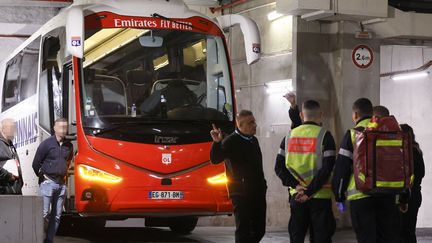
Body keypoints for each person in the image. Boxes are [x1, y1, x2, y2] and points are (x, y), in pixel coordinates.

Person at [332, 98, 398, 243]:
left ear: (355, 115)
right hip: (386, 195)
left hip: (361, 196)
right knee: (387, 238)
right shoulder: (387, 131)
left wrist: (339, 195)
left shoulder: (353, 133)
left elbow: (342, 167)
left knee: (366, 239)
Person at [283, 100, 336, 243]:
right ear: (321, 115)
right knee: (321, 238)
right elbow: (327, 168)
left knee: (296, 237)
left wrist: (296, 186)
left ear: (301, 115)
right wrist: (310, 192)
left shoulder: (289, 136)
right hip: (320, 198)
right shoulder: (325, 136)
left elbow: (279, 167)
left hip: (297, 196)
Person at [210, 110, 267, 243]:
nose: (255, 125)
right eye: (250, 123)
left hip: (257, 191)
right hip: (240, 193)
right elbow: (215, 159)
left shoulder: (254, 141)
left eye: (254, 121)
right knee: (243, 230)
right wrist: (217, 142)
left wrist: (262, 185)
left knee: (259, 230)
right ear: (240, 125)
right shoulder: (231, 141)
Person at [275, 92, 316, 242]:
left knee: (297, 234)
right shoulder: (322, 136)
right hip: (315, 194)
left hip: (298, 193)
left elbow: (278, 168)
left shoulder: (292, 137)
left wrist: (297, 186)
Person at [32, 118, 73, 243]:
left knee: (56, 216)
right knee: (43, 214)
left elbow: (68, 161)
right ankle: (38, 239)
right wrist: (43, 177)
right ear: (54, 128)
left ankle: (49, 240)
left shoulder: (69, 146)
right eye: (60, 127)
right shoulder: (46, 144)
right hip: (47, 183)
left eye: (65, 127)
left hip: (61, 185)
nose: (63, 130)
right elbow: (35, 163)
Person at [399, 124, 425, 243]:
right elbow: (421, 173)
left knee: (404, 232)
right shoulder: (417, 151)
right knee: (408, 231)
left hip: (407, 196)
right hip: (415, 195)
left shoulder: (408, 153)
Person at [0, 118, 22, 194]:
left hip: (14, 189)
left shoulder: (10, 145)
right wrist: (8, 176)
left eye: (15, 127)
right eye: (11, 127)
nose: (14, 130)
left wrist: (20, 182)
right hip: (4, 191)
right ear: (3, 129)